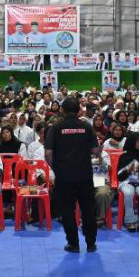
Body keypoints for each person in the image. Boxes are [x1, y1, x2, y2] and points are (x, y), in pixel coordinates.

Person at [45, 96, 99, 253]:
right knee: (88, 210)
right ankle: (91, 243)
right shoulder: (87, 127)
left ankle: (73, 244)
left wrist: (57, 169)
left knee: (67, 211)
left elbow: (48, 153)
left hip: (64, 176)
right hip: (85, 175)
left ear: (62, 110)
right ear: (79, 110)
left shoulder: (55, 128)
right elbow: (95, 151)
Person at [117, 132, 139, 232]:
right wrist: (128, 171)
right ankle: (130, 221)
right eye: (138, 141)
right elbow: (119, 176)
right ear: (132, 141)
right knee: (128, 193)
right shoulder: (124, 156)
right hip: (126, 181)